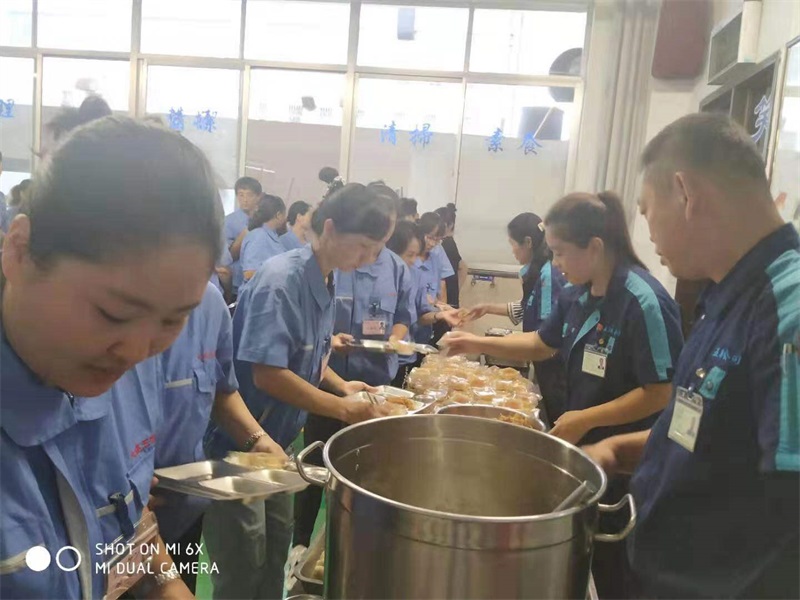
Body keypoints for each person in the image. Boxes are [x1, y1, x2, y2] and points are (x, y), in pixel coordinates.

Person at [1, 116, 222, 599]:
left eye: (174, 320)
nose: (138, 351)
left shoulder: (117, 367)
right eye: (112, 313)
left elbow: (125, 507)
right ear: (19, 251)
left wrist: (168, 584)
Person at [584, 113, 799, 599]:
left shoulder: (787, 306)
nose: (648, 232)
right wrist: (618, 451)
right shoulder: (725, 297)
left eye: (646, 210)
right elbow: (706, 434)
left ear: (684, 192)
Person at [443, 190, 683, 599]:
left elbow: (661, 392)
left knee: (620, 569)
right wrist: (476, 342)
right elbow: (541, 343)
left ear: (595, 247)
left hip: (629, 464)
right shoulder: (577, 294)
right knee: (584, 560)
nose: (555, 264)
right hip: (586, 453)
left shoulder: (643, 301)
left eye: (559, 253)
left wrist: (587, 418)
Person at [203, 182, 396, 600]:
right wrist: (343, 410)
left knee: (274, 553)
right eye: (363, 247)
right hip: (241, 443)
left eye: (375, 250)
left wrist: (342, 387)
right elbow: (268, 374)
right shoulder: (281, 281)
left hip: (279, 444)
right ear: (330, 228)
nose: (368, 259)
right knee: (242, 565)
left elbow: (309, 355)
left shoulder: (325, 279)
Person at [292, 214, 415, 554]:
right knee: (314, 467)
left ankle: (357, 545)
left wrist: (394, 339)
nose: (368, 254)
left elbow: (404, 315)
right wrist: (331, 341)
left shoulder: (396, 268)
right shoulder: (330, 264)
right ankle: (300, 544)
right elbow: (312, 329)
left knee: (368, 472)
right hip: (327, 384)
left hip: (375, 386)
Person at [152, 283, 286, 593]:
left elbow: (221, 388)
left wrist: (257, 439)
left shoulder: (210, 303)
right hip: (118, 521)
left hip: (183, 506)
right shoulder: (114, 305)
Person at [463, 212, 569, 423]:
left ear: (528, 242)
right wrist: (488, 308)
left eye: (513, 244)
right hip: (544, 360)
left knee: (556, 415)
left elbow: (547, 328)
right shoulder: (535, 271)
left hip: (554, 365)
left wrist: (484, 343)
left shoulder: (548, 275)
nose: (512, 250)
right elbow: (527, 308)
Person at [387, 221, 462, 387]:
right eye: (410, 255)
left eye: (416, 255)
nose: (414, 261)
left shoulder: (415, 274)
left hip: (402, 356)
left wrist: (441, 314)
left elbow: (420, 315)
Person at [225, 176, 262, 295]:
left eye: (249, 195)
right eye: (241, 195)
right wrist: (245, 234)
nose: (245, 199)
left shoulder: (265, 221)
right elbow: (226, 258)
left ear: (258, 197)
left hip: (260, 283)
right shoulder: (229, 222)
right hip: (237, 284)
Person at [240, 194, 287, 281]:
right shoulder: (258, 236)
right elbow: (249, 273)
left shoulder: (272, 236)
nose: (285, 219)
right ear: (278, 215)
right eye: (284, 215)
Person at [436, 204, 468, 308]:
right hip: (449, 297)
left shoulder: (446, 245)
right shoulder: (448, 243)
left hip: (446, 299)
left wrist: (453, 291)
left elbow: (462, 267)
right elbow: (463, 267)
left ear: (450, 225)